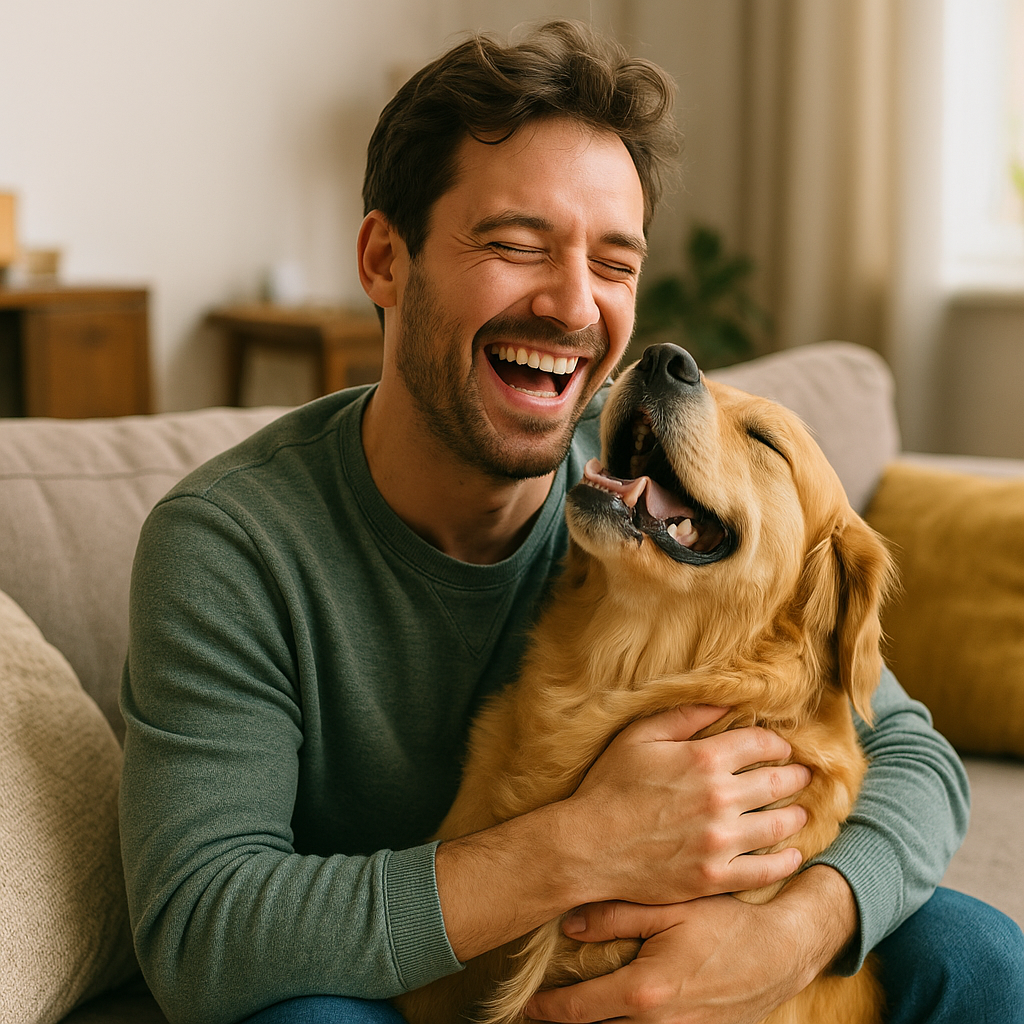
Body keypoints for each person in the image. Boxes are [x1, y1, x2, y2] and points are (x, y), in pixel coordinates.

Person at [119, 20, 1024, 1024]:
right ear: (383, 258)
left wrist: (787, 933)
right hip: (409, 989)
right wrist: (585, 842)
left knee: (972, 949)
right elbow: (202, 930)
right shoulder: (228, 545)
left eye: (614, 263)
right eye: (515, 245)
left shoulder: (642, 498)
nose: (572, 306)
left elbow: (911, 754)